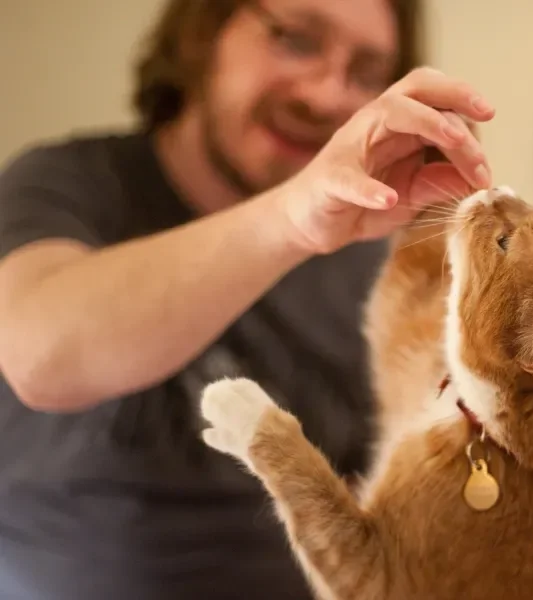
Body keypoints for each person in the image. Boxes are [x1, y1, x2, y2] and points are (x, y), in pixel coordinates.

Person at [0, 0, 494, 597]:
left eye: (366, 74)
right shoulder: (66, 184)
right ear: (203, 33)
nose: (328, 97)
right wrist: (293, 218)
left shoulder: (374, 258)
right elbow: (43, 357)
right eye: (296, 39)